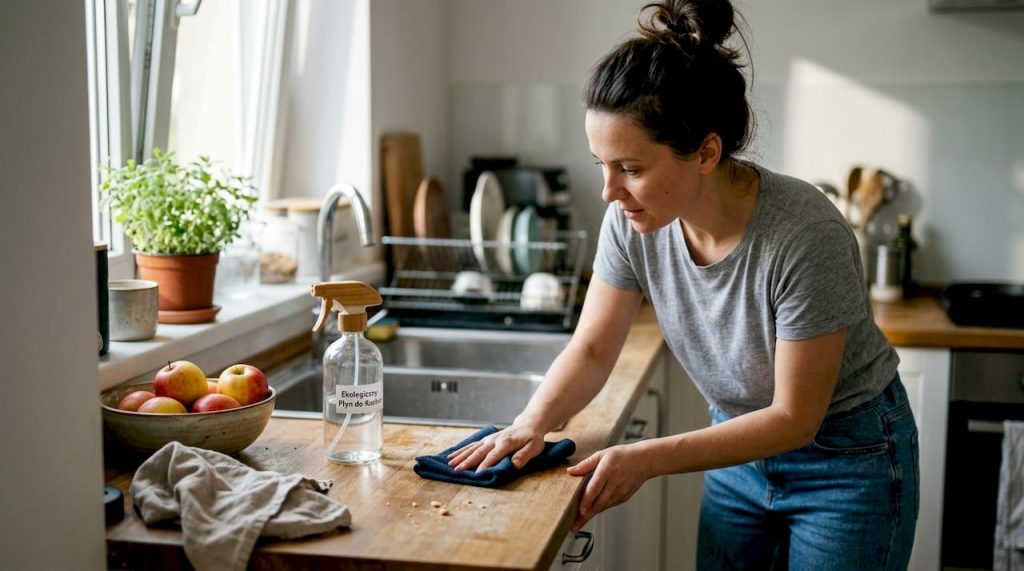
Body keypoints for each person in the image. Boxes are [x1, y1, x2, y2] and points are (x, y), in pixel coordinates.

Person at [447, 0, 919, 567]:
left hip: (848, 460)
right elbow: (594, 348)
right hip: (737, 449)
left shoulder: (804, 234)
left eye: (632, 168)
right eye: (601, 164)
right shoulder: (631, 221)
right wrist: (531, 422)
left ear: (706, 153)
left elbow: (795, 417)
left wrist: (645, 457)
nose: (609, 192)